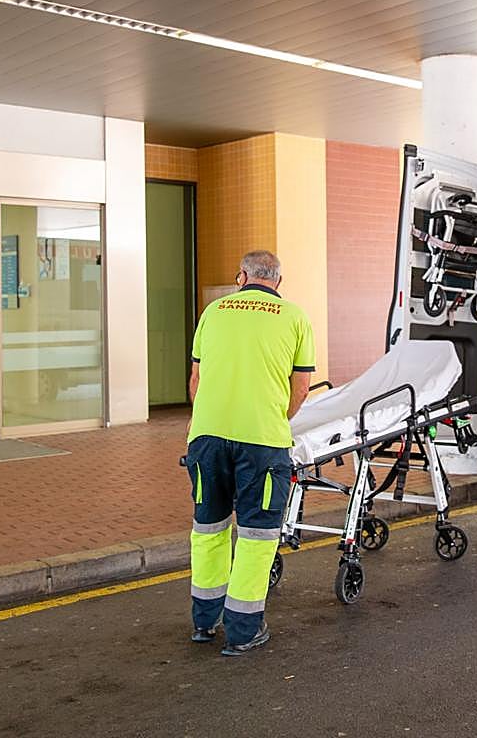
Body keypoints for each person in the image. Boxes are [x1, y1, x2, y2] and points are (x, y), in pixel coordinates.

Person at [185, 249, 315, 656]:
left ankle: (204, 622)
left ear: (241, 276)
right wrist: (275, 418)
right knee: (257, 534)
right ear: (278, 281)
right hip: (262, 442)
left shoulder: (213, 312)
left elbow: (196, 379)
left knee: (208, 528)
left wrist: (208, 419)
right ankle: (243, 631)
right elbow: (301, 389)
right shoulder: (294, 317)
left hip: (206, 438)